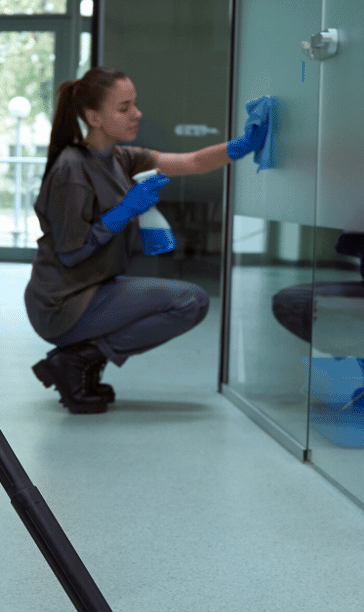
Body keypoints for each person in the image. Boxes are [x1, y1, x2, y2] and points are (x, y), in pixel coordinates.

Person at [24, 67, 269, 412]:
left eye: (135, 104)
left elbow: (193, 162)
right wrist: (124, 211)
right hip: (62, 304)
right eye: (124, 108)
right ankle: (79, 360)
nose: (136, 114)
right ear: (93, 117)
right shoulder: (71, 171)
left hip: (93, 289)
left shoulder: (122, 158)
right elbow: (70, 254)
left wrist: (243, 146)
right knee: (189, 302)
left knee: (190, 301)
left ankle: (80, 359)